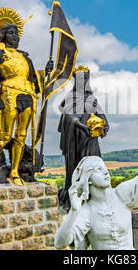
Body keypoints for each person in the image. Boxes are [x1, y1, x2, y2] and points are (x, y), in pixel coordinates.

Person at [54, 115, 138, 250]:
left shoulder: (122, 195)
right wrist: (73, 211)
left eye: (104, 168)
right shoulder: (87, 211)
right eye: (97, 170)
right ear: (88, 179)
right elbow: (60, 243)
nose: (105, 172)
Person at [0, 0, 53, 186]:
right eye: (11, 32)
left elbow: (33, 78)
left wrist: (46, 70)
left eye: (17, 33)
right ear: (3, 35)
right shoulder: (0, 51)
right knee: (4, 135)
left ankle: (16, 171)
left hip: (27, 94)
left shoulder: (25, 57)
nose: (16, 36)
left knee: (21, 136)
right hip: (10, 93)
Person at [57, 65, 109, 212]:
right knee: (75, 169)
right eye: (81, 78)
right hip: (75, 138)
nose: (84, 81)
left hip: (90, 138)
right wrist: (80, 126)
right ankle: (73, 199)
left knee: (95, 164)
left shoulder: (91, 98)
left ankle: (95, 198)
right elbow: (68, 117)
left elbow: (100, 113)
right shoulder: (70, 98)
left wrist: (105, 124)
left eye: (86, 78)